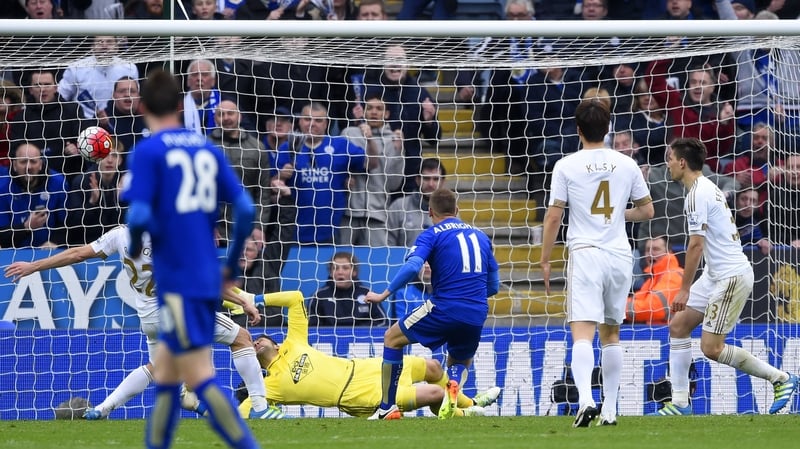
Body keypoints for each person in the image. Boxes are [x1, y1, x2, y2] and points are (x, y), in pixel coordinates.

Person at [120, 69, 260, 449]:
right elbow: (245, 210)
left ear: (141, 106)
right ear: (182, 106)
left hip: (178, 279)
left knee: (198, 378)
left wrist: (133, 244)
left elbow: (138, 215)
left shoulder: (148, 151)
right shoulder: (207, 149)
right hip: (204, 273)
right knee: (166, 378)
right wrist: (230, 266)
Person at [3, 225, 270, 420]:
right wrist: (244, 302)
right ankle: (260, 408)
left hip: (149, 318)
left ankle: (101, 410)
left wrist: (34, 266)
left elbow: (76, 254)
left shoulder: (121, 234)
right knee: (241, 337)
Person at [650, 137, 798, 416]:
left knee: (711, 348)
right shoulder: (705, 187)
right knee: (679, 326)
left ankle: (781, 379)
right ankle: (680, 403)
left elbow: (695, 245)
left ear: (682, 162)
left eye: (670, 158)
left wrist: (683, 289)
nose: (667, 164)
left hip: (730, 276)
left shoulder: (697, 194)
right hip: (714, 274)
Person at [182, 289, 500, 418]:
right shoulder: (267, 387)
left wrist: (252, 298)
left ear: (275, 342)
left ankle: (472, 404)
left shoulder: (295, 342)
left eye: (260, 339)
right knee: (432, 393)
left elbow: (294, 298)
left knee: (432, 366)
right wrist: (197, 404)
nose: (255, 343)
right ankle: (467, 415)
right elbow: (238, 415)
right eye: (252, 345)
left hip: (367, 367)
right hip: (359, 394)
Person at [539, 99, 654, 427]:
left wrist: (545, 258)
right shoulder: (626, 163)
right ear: (607, 130)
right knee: (612, 334)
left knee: (582, 334)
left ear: (578, 130)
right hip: (620, 255)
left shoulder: (566, 165)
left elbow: (553, 215)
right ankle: (611, 410)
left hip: (586, 253)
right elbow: (647, 210)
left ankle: (586, 400)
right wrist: (620, 214)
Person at [365, 187, 500, 420]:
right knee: (458, 358)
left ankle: (387, 407)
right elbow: (494, 286)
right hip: (477, 311)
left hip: (445, 306)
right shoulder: (481, 236)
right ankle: (452, 392)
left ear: (430, 211)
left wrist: (382, 295)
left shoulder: (432, 233)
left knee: (392, 338)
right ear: (457, 210)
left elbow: (411, 267)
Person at [272, 102, 366, 244]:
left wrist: (351, 174)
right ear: (299, 121)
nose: (312, 124)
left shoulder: (340, 145)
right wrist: (279, 176)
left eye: (318, 120)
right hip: (293, 231)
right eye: (307, 119)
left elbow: (369, 163)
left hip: (331, 230)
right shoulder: (287, 147)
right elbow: (270, 189)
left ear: (326, 123)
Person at [339, 94, 405, 247]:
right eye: (370, 108)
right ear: (363, 111)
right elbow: (337, 166)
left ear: (386, 114)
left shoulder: (393, 139)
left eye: (379, 109)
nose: (374, 112)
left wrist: (398, 152)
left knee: (377, 265)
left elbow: (394, 184)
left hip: (377, 215)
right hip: (347, 213)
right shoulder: (349, 133)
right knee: (340, 263)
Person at [0, 143, 68, 248]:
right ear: (14, 165)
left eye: (33, 161)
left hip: (49, 251)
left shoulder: (58, 183)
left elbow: (67, 223)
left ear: (41, 164)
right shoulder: (3, 187)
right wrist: (26, 227)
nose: (28, 167)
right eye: (23, 162)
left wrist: (56, 242)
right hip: (14, 252)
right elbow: (2, 234)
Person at [57, 35, 139, 120]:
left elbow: (136, 98)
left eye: (109, 42)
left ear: (116, 47)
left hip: (120, 121)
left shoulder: (130, 68)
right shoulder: (76, 68)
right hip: (84, 121)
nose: (104, 45)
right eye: (100, 42)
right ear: (92, 47)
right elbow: (61, 96)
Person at [65, 137, 125, 245]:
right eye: (105, 155)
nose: (110, 160)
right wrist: (92, 203)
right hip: (88, 243)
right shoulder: (82, 181)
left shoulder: (126, 182)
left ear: (120, 160)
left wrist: (121, 200)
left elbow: (130, 225)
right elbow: (73, 228)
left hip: (118, 243)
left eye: (115, 156)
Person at [308, 252, 388, 328]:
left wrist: (359, 333)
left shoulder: (367, 293)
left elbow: (382, 321)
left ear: (354, 272)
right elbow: (312, 326)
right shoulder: (318, 296)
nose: (340, 272)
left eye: (345, 268)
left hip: (362, 339)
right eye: (335, 268)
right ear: (331, 273)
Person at [385, 157, 446, 248]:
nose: (431, 184)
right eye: (426, 178)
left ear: (442, 182)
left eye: (436, 179)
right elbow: (388, 247)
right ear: (417, 180)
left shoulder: (449, 210)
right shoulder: (398, 207)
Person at [625, 236, 684, 325]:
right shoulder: (653, 279)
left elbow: (653, 308)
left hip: (671, 333)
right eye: (648, 250)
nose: (650, 254)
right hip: (658, 332)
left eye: (656, 249)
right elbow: (636, 300)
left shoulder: (674, 275)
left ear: (669, 252)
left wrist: (615, 307)